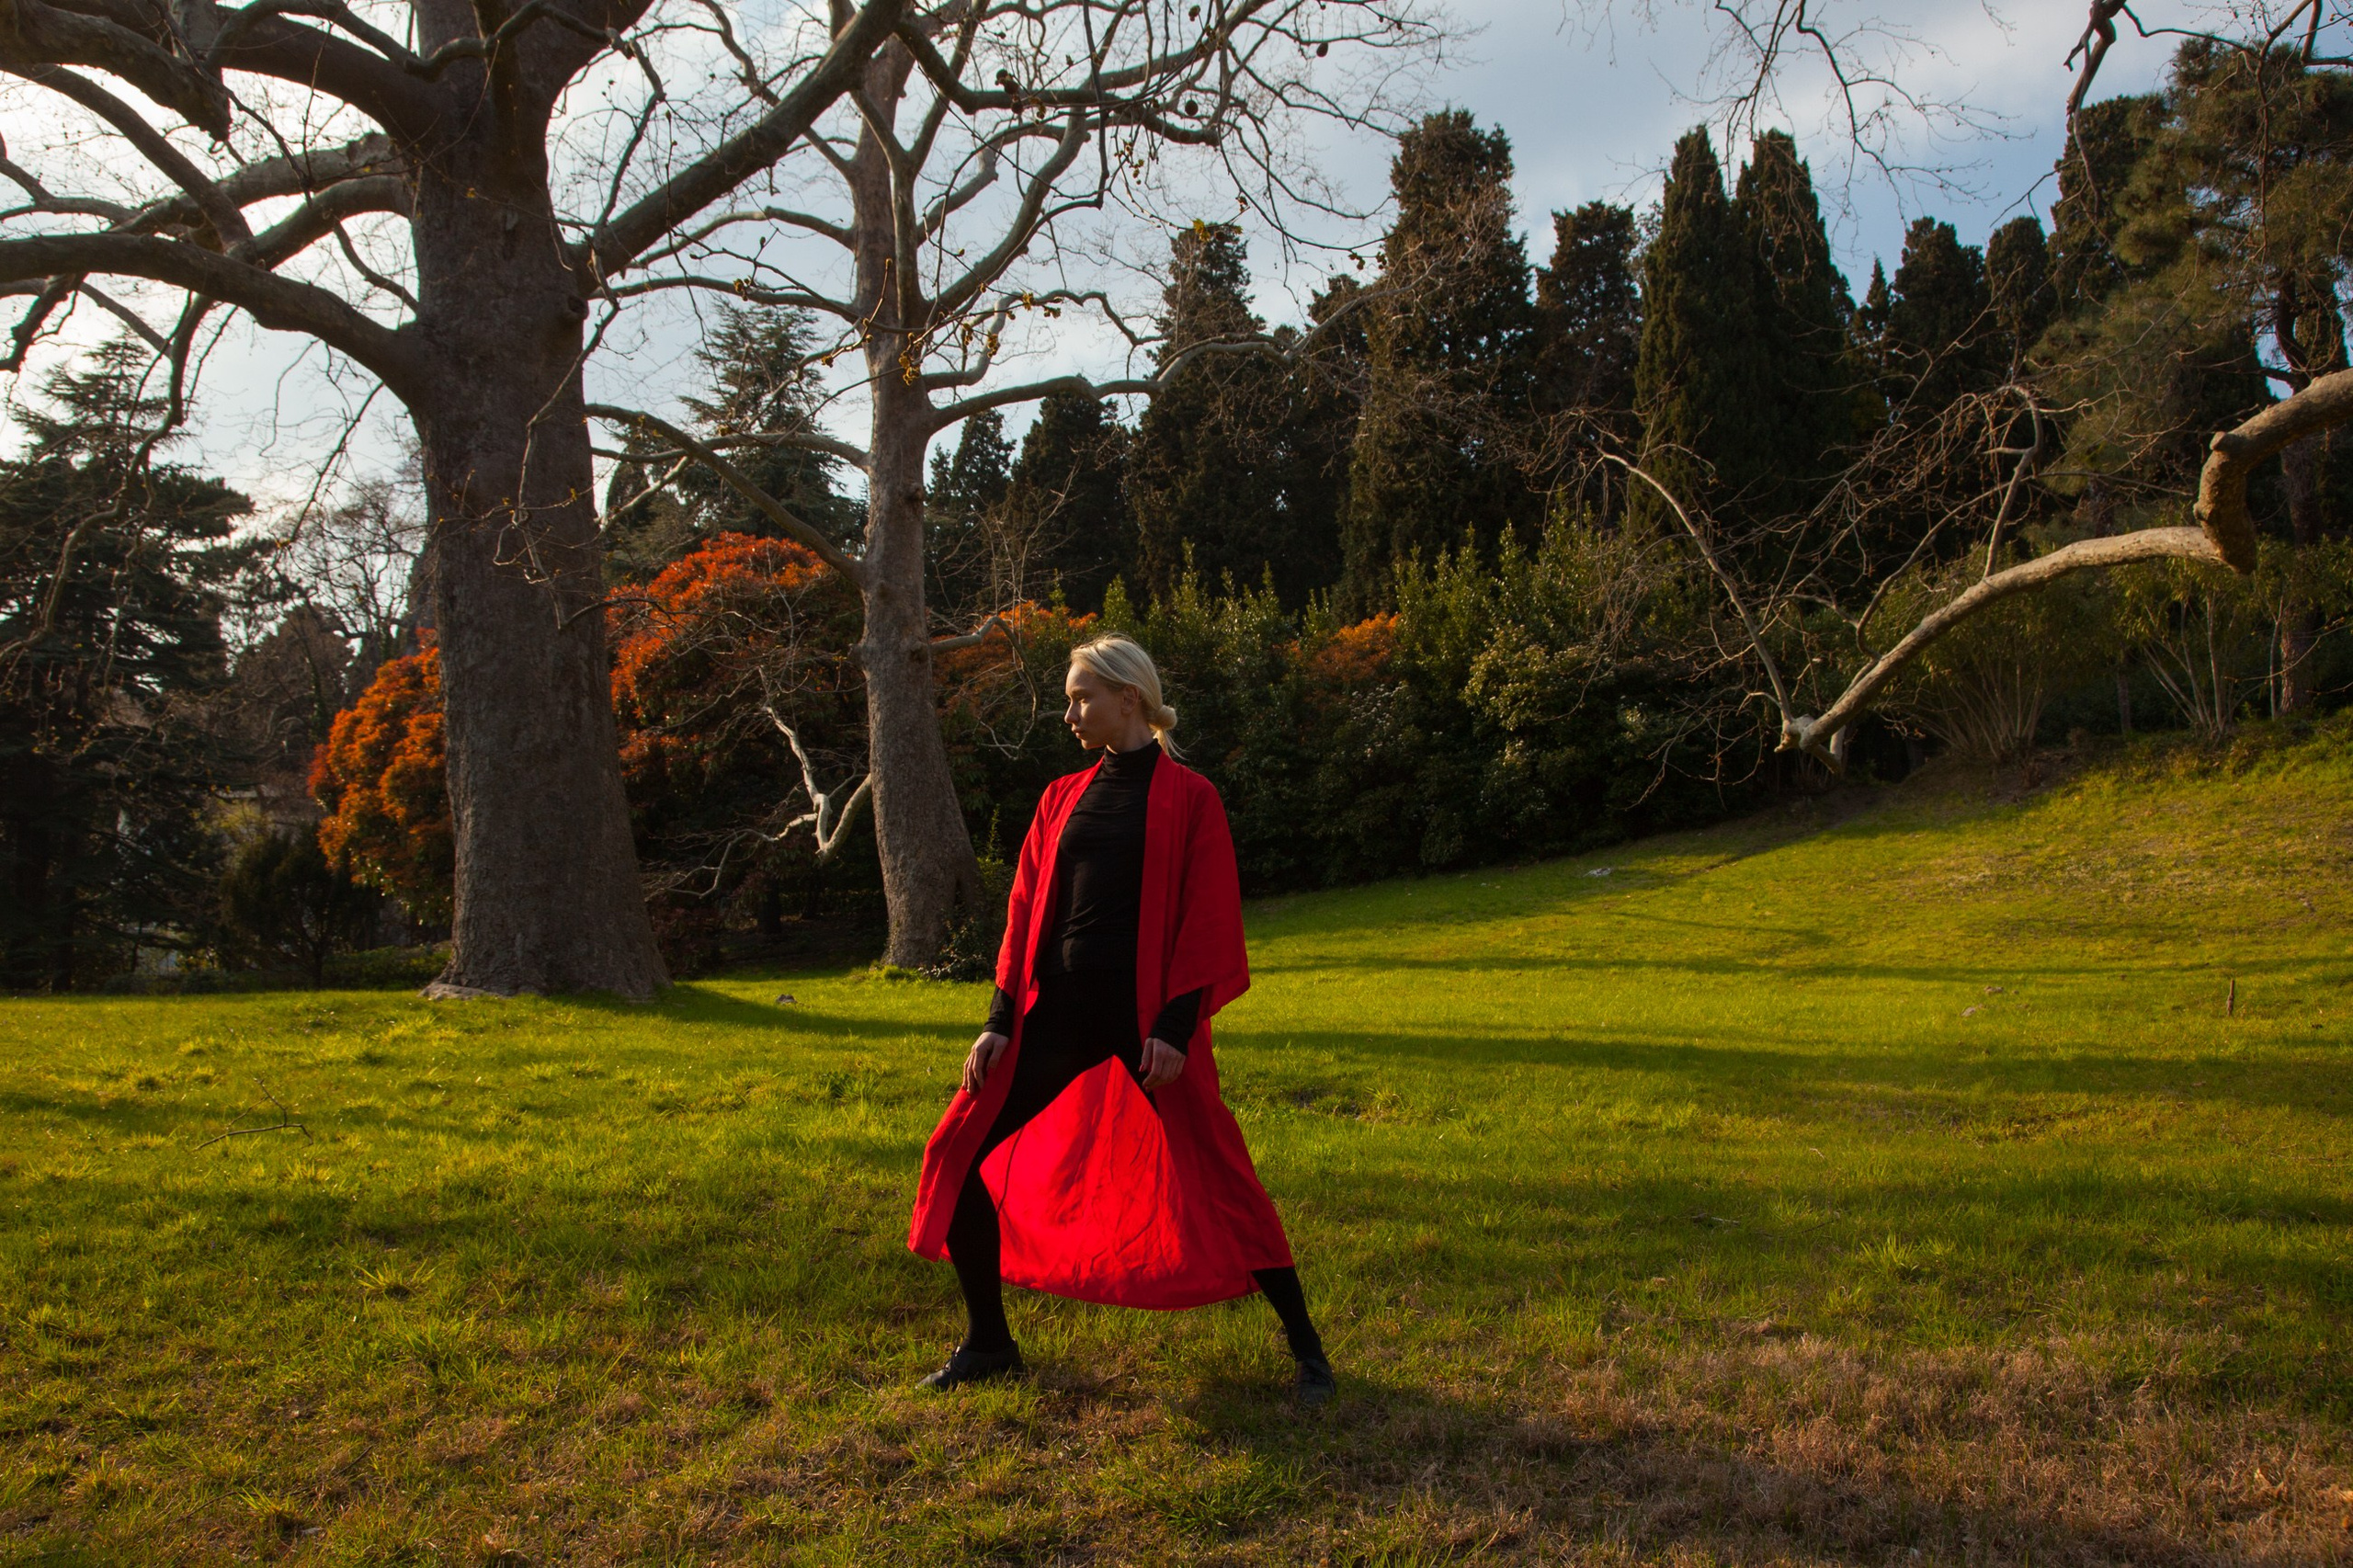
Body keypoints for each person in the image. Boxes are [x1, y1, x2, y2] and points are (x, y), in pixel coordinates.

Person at [905, 633, 1334, 1403]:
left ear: (1127, 698)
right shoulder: (1059, 797)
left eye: (1081, 697)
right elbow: (1025, 909)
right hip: (1057, 1013)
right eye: (1072, 698)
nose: (1070, 712)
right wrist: (1000, 1018)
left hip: (1145, 1026)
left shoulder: (1190, 797)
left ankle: (1308, 1351)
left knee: (1220, 1172)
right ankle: (990, 1342)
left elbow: (1208, 920)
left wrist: (1172, 1029)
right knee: (960, 1150)